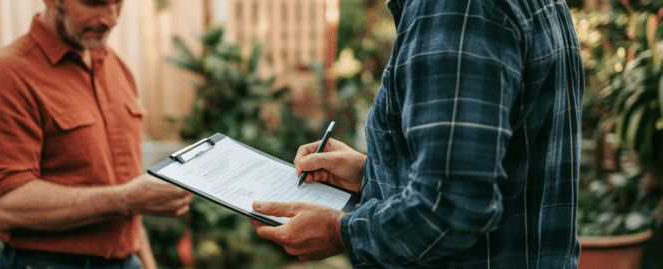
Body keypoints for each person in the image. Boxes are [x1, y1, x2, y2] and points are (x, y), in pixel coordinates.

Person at [250, 0, 584, 267]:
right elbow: (498, 165)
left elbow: (454, 205)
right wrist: (371, 174)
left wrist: (338, 232)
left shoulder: (454, 11)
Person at [0, 0, 193, 268]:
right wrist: (127, 198)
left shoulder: (115, 67)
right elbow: (7, 206)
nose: (111, 18)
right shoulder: (7, 75)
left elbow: (126, 190)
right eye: (94, 2)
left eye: (118, 3)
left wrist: (146, 262)